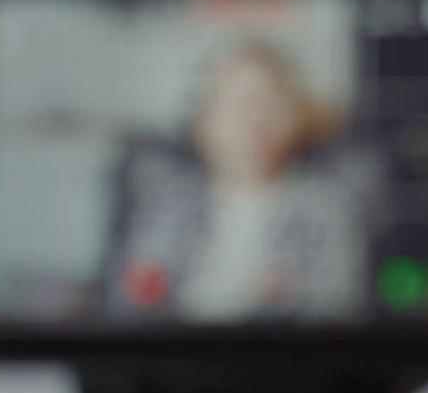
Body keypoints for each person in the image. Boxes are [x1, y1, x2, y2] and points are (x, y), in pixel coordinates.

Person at [103, 37, 382, 322]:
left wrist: (282, 303)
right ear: (203, 119)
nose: (252, 119)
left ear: (295, 118)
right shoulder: (169, 204)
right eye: (236, 103)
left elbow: (339, 307)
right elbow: (131, 301)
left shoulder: (327, 208)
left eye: (269, 103)